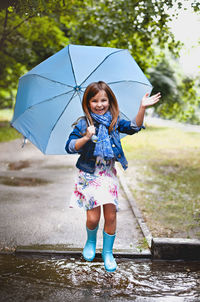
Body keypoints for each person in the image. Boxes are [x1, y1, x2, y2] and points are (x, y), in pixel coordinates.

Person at [65, 81, 161, 272]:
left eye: (104, 100)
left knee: (110, 215)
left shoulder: (114, 122)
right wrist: (85, 137)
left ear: (110, 101)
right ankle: (91, 242)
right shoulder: (84, 123)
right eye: (94, 101)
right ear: (88, 103)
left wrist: (142, 107)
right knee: (93, 218)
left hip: (107, 175)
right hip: (89, 175)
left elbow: (134, 126)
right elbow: (69, 146)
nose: (100, 104)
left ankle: (108, 252)